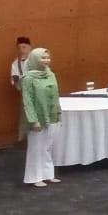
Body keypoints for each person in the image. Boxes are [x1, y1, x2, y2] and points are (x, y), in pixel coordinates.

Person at [19, 47, 61, 188]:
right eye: (43, 58)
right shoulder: (28, 78)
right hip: (37, 118)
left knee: (47, 147)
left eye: (48, 57)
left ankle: (48, 175)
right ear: (35, 59)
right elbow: (28, 101)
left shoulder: (50, 74)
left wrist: (58, 112)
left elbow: (55, 95)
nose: (46, 60)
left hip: (52, 116)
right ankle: (34, 177)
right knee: (36, 148)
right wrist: (33, 120)